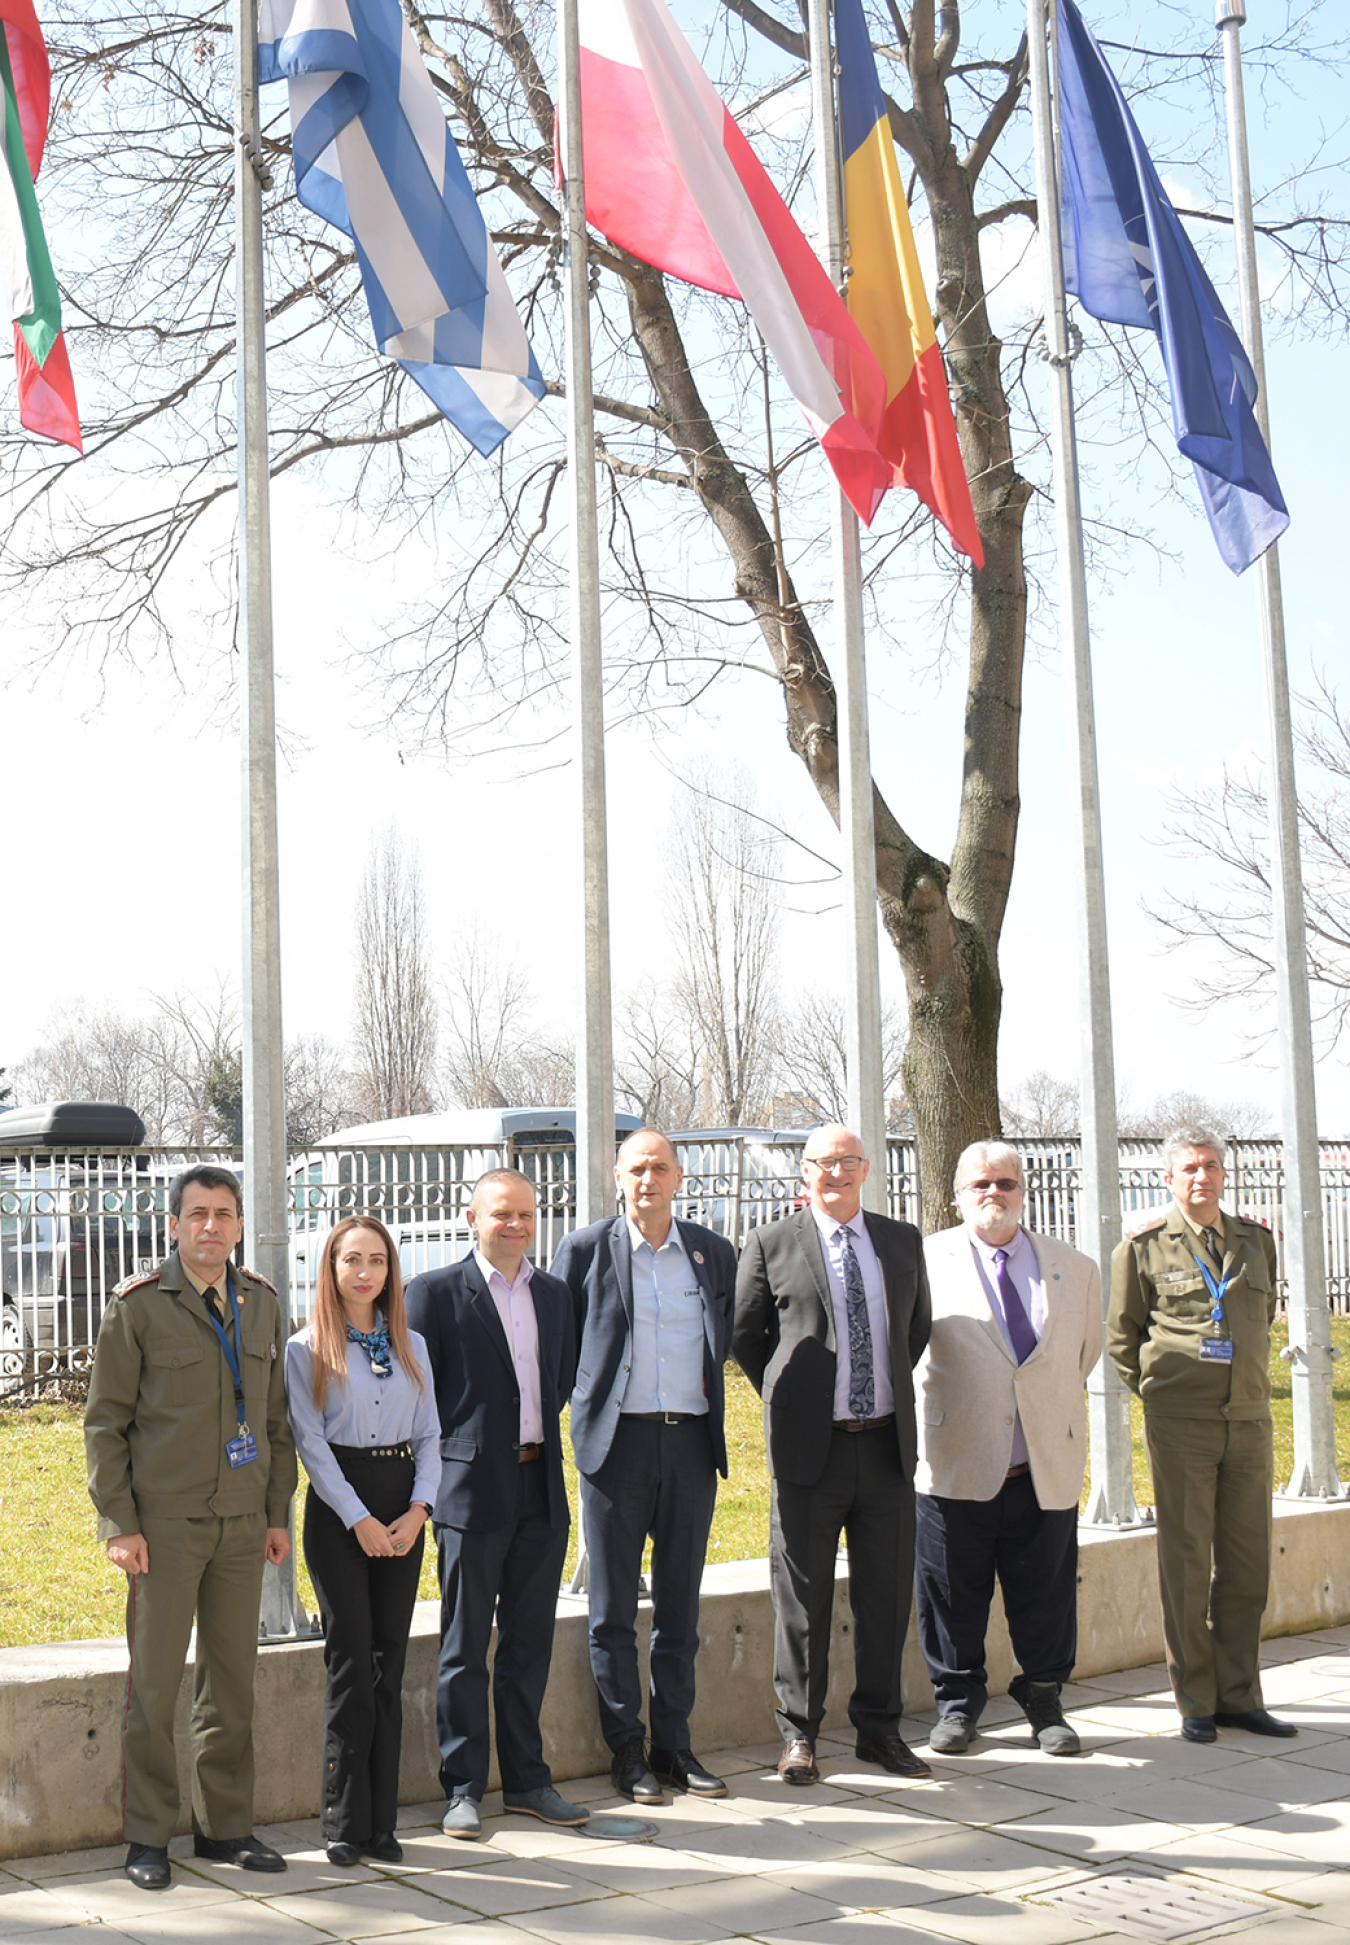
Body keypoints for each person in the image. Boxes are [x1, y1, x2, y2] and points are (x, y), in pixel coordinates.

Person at [84, 1165, 297, 1892]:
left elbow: (275, 1423)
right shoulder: (139, 1306)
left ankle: (224, 1826)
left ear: (239, 1224)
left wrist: (275, 1513)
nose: (212, 1226)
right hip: (165, 1528)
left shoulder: (261, 1303)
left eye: (225, 1213)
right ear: (173, 1224)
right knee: (154, 1685)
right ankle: (147, 1836)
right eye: (198, 1213)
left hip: (242, 1523)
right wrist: (120, 1522)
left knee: (231, 1680)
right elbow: (105, 1425)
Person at [733, 1123, 931, 1786]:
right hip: (808, 1452)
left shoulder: (900, 1241)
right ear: (805, 1172)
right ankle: (799, 1734)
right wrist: (799, 1395)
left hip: (885, 1447)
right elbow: (746, 1336)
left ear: (866, 1168)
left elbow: (916, 1328)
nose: (836, 1172)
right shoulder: (771, 1241)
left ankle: (880, 1728)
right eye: (823, 1162)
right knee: (802, 1598)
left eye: (848, 1161)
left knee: (886, 1596)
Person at [551, 1128, 737, 1804]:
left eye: (660, 1167)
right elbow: (558, 1346)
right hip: (615, 1448)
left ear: (679, 1176)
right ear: (617, 1176)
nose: (648, 1178)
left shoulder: (711, 1253)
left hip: (689, 1445)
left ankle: (674, 1746)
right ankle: (625, 1750)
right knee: (611, 1610)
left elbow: (732, 1339)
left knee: (680, 1607)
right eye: (637, 1168)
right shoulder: (584, 1250)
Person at [405, 1169, 586, 1839]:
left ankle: (529, 1781)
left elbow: (558, 1380)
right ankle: (463, 1787)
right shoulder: (432, 1294)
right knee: (464, 1645)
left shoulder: (558, 1294)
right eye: (501, 1213)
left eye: (526, 1214)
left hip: (539, 1487)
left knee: (529, 1642)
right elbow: (423, 1394)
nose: (515, 1224)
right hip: (470, 1494)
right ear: (472, 1217)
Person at [915, 1141, 1101, 1758]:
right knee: (952, 1593)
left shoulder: (1074, 1267)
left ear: (1023, 1191)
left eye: (1005, 1183)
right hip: (956, 1456)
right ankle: (958, 1706)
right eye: (979, 1185)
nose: (993, 1194)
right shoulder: (924, 1261)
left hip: (1042, 1458)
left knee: (1046, 1592)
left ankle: (1044, 1700)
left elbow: (1084, 1353)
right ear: (957, 1194)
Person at [1109, 1126, 1292, 1745]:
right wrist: (1162, 1396)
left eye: (1211, 1166)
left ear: (1223, 1173)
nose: (1201, 1177)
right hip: (1181, 1423)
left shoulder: (1255, 1243)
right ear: (1168, 1178)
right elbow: (1121, 1337)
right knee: (1187, 1563)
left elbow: (1259, 1320)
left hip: (1248, 1419)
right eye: (1188, 1168)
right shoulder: (1143, 1249)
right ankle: (1196, 1699)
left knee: (1247, 1564)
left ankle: (1241, 1694)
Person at [285, 1216, 440, 1866]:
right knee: (351, 1660)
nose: (365, 1271)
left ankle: (383, 1820)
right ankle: (344, 1821)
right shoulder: (306, 1348)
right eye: (352, 1259)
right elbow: (311, 1445)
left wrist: (418, 1509)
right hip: (340, 1511)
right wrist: (360, 1519)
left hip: (401, 1502)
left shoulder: (412, 1344)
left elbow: (432, 1433)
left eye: (377, 1259)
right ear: (332, 1267)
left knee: (389, 1662)